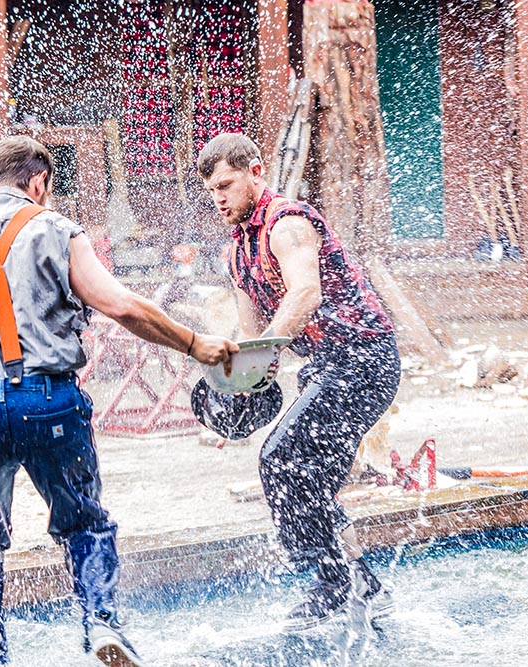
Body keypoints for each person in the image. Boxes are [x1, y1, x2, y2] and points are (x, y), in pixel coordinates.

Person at [0, 135, 236, 666]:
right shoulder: (57, 228)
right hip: (49, 400)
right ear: (39, 184)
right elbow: (120, 305)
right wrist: (192, 343)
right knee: (85, 524)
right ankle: (102, 625)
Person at [197, 133, 400, 630]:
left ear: (256, 172)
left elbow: (305, 292)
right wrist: (234, 402)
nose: (219, 197)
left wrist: (265, 348)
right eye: (211, 191)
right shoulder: (235, 254)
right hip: (326, 368)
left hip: (365, 359)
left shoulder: (287, 224)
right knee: (308, 480)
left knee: (282, 458)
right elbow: (250, 338)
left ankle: (334, 583)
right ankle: (364, 585)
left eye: (227, 184)